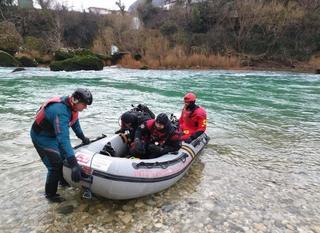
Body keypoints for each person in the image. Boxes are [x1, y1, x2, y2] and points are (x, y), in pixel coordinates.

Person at [30, 88, 92, 203]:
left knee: (64, 158)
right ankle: (50, 195)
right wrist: (74, 164)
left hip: (52, 135)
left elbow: (75, 124)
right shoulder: (60, 111)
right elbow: (63, 139)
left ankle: (62, 181)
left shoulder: (73, 107)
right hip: (41, 137)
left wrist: (83, 138)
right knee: (55, 165)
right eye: (84, 104)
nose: (86, 107)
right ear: (75, 100)